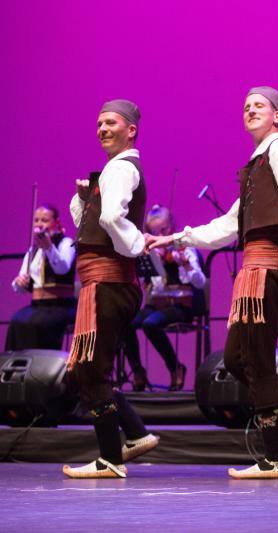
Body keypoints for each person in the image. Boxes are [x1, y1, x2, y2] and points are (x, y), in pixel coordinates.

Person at [146, 86, 278, 479]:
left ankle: (277, 457)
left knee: (257, 358)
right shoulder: (256, 163)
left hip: (269, 266)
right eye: (245, 106)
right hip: (254, 269)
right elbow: (229, 224)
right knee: (236, 358)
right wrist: (176, 238)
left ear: (277, 115)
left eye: (258, 105)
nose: (249, 110)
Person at [62, 99, 158, 478]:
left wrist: (136, 245)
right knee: (88, 369)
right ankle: (133, 435)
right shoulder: (111, 170)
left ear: (130, 129)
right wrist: (86, 198)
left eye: (110, 123)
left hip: (109, 281)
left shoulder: (121, 168)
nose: (102, 128)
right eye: (99, 123)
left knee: (91, 369)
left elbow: (110, 217)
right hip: (101, 282)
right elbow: (91, 222)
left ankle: (110, 459)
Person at [121, 205, 206, 391]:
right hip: (156, 305)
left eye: (164, 230)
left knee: (151, 324)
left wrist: (186, 266)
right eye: (154, 231)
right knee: (124, 324)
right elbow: (148, 283)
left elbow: (200, 283)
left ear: (172, 227)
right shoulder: (151, 252)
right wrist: (151, 263)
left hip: (180, 306)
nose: (159, 234)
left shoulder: (185, 249)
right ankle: (137, 371)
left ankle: (175, 367)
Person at [6, 204, 76, 351]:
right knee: (16, 321)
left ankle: (40, 369)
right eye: (36, 220)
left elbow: (62, 269)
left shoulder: (66, 243)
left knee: (39, 323)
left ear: (56, 222)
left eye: (44, 220)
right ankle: (17, 368)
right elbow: (21, 283)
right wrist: (19, 283)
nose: (39, 224)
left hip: (61, 305)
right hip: (37, 306)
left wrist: (49, 248)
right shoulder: (32, 250)